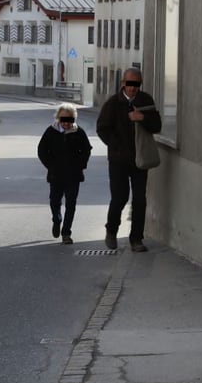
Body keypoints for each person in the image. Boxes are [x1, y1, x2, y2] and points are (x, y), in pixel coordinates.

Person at [95, 67, 162, 252]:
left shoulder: (145, 100)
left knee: (140, 199)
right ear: (123, 83)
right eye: (129, 84)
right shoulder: (113, 103)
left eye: (136, 84)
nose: (133, 88)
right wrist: (116, 145)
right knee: (119, 197)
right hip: (118, 160)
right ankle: (111, 231)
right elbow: (102, 128)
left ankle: (136, 239)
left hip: (140, 158)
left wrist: (142, 117)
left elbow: (157, 125)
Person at [37, 102, 92, 245]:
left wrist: (80, 164)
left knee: (71, 204)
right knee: (54, 201)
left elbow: (86, 149)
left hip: (73, 175)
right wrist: (50, 165)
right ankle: (57, 220)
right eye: (63, 119)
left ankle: (66, 233)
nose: (66, 123)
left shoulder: (78, 132)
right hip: (56, 175)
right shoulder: (51, 131)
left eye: (70, 119)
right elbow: (42, 150)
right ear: (58, 118)